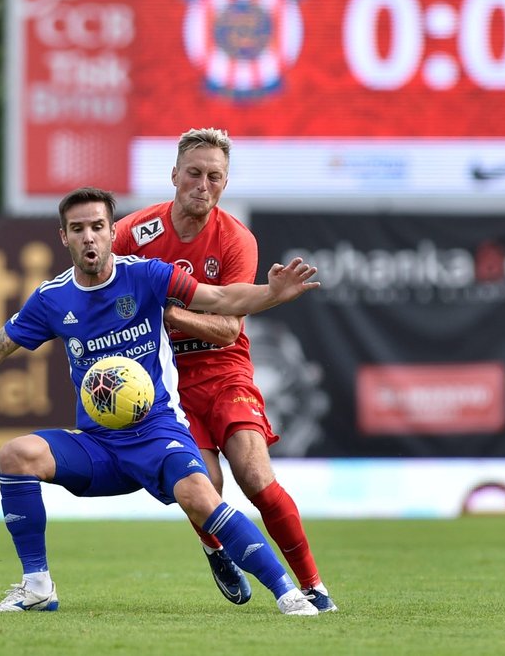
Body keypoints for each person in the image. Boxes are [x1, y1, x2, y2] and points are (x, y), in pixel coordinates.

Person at [0, 187, 321, 616]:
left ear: (111, 232)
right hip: (99, 444)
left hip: (158, 432)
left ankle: (288, 594)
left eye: (98, 227)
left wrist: (272, 293)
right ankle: (37, 588)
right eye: (78, 228)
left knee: (201, 494)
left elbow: (222, 300)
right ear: (63, 237)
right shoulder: (52, 298)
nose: (89, 237)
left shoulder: (147, 276)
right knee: (16, 455)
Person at [113, 128, 337, 612]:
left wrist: (166, 314)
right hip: (163, 380)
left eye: (215, 177)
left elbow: (228, 330)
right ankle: (216, 549)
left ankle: (314, 586)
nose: (203, 185)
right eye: (194, 173)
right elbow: (103, 292)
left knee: (255, 476)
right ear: (174, 175)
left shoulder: (236, 239)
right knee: (203, 486)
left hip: (224, 372)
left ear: (225, 183)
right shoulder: (133, 232)